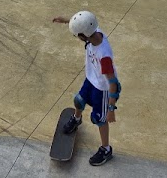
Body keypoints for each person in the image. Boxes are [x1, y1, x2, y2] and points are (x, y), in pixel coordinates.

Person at [51, 10, 120, 166]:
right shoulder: (94, 32)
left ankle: (106, 149)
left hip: (103, 89)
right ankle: (76, 119)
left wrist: (111, 109)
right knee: (79, 101)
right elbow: (85, 24)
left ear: (84, 36)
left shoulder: (104, 55)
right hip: (91, 79)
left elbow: (113, 83)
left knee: (99, 119)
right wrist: (66, 21)